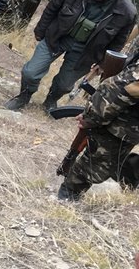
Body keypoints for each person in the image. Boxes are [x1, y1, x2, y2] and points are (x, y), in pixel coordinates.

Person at [4, 0, 136, 115]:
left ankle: (51, 100)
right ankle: (24, 96)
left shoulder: (127, 12)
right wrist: (40, 30)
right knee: (30, 72)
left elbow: (118, 41)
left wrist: (103, 63)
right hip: (57, 37)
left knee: (64, 85)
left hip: (86, 51)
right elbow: (52, 8)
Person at [55, 51, 139, 202]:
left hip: (129, 126)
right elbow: (127, 87)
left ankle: (124, 177)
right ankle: (68, 195)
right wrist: (92, 117)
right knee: (96, 162)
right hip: (122, 122)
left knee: (111, 159)